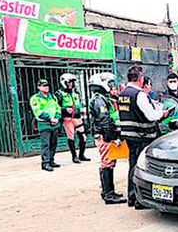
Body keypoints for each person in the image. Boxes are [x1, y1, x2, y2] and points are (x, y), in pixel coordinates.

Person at [117, 65, 167, 209]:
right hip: (142, 136)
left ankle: (132, 196)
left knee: (132, 166)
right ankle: (139, 200)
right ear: (141, 79)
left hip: (129, 136)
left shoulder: (123, 94)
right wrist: (162, 114)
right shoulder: (139, 94)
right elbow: (151, 115)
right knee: (142, 168)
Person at [90, 73, 126, 205]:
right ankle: (108, 194)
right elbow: (105, 120)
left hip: (106, 135)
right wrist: (113, 137)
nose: (111, 86)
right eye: (109, 83)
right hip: (104, 136)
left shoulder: (105, 99)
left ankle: (108, 192)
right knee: (107, 163)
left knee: (110, 162)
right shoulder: (99, 100)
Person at [57, 73, 90, 164]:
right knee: (71, 137)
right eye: (69, 82)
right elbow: (56, 107)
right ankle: (74, 156)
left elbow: (80, 104)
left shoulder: (76, 92)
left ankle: (81, 155)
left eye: (72, 82)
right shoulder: (59, 93)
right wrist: (64, 109)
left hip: (77, 117)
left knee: (83, 136)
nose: (71, 84)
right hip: (68, 118)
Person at [30, 79, 62, 171]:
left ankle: (51, 160)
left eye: (47, 85)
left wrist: (56, 117)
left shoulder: (52, 97)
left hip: (54, 123)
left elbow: (57, 108)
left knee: (53, 143)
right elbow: (37, 111)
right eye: (44, 86)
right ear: (39, 87)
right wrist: (49, 118)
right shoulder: (35, 98)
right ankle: (45, 163)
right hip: (44, 123)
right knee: (45, 144)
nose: (46, 87)